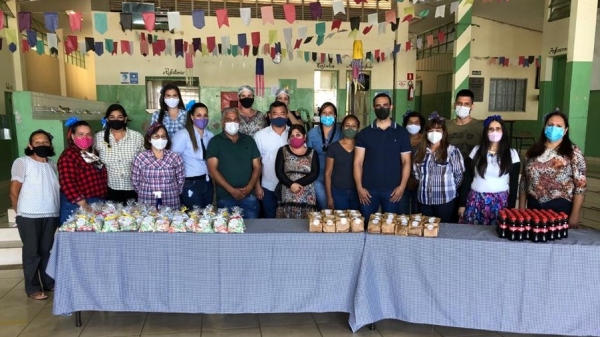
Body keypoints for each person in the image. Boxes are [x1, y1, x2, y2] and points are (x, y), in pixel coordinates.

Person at [10, 130, 59, 300]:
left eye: (45, 142)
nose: (42, 145)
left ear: (50, 145)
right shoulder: (22, 162)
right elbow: (14, 192)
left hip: (50, 213)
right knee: (32, 252)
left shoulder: (52, 164)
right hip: (29, 215)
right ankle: (32, 288)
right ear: (30, 146)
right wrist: (20, 214)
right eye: (37, 142)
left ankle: (48, 282)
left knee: (46, 250)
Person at [519, 110, 586, 228]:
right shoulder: (532, 152)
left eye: (559, 126)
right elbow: (524, 181)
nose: (553, 128)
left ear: (565, 131)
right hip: (534, 207)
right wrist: (521, 209)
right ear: (545, 127)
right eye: (550, 125)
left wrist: (575, 215)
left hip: (560, 208)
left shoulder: (573, 152)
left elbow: (580, 186)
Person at [354, 93, 411, 220]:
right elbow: (358, 162)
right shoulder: (364, 134)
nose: (382, 108)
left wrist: (402, 187)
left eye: (385, 105)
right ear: (374, 108)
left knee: (389, 228)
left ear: (391, 107)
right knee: (367, 226)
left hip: (393, 190)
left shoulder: (401, 133)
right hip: (367, 191)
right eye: (378, 106)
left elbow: (406, 161)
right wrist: (359, 188)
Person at [459, 115, 520, 225]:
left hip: (500, 203)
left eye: (498, 129)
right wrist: (462, 204)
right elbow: (467, 177)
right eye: (491, 129)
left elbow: (514, 184)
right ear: (486, 132)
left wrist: (510, 210)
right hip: (475, 201)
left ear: (503, 131)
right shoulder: (476, 151)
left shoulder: (512, 154)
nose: (494, 132)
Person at [207, 107, 261, 218]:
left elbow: (257, 166)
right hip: (226, 197)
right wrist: (232, 190)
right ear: (223, 122)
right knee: (228, 232)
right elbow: (212, 170)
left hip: (249, 197)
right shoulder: (215, 142)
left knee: (252, 232)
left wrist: (250, 187)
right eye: (229, 120)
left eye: (236, 120)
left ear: (239, 122)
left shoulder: (249, 140)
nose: (233, 123)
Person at [413, 112, 465, 223]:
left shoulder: (452, 151)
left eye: (438, 130)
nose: (434, 133)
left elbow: (459, 175)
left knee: (444, 231)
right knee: (427, 231)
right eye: (431, 130)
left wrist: (448, 188)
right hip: (424, 199)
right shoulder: (420, 151)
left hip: (445, 200)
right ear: (426, 132)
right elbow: (417, 175)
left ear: (443, 132)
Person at [58, 119, 107, 224]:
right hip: (78, 204)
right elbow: (67, 182)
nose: (85, 138)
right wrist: (83, 204)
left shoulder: (93, 154)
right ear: (72, 136)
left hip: (96, 202)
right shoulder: (69, 155)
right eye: (80, 134)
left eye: (88, 134)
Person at [94, 104, 144, 204]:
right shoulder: (99, 138)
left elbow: (144, 163)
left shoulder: (137, 137)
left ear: (125, 119)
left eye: (119, 117)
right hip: (109, 189)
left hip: (134, 189)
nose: (116, 120)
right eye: (112, 117)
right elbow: (95, 161)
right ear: (107, 120)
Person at [171, 102, 215, 209]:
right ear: (192, 117)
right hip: (190, 182)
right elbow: (172, 159)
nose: (202, 119)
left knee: (207, 214)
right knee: (194, 217)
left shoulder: (210, 135)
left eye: (205, 115)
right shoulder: (183, 135)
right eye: (198, 115)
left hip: (207, 181)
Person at [131, 123, 185, 208]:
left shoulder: (175, 157)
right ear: (149, 139)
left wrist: (172, 192)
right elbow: (135, 181)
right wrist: (145, 191)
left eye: (163, 136)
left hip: (170, 201)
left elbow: (180, 180)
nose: (160, 139)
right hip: (147, 201)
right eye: (156, 136)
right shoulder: (140, 157)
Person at [254, 101, 290, 218]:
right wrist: (257, 186)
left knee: (288, 221)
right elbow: (255, 164)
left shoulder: (293, 134)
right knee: (270, 220)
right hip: (267, 186)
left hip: (290, 187)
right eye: (275, 114)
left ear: (287, 115)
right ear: (269, 116)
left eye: (282, 113)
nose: (279, 116)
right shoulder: (260, 136)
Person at [275, 125, 319, 218]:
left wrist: (297, 185)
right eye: (292, 136)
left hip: (307, 193)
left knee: (305, 225)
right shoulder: (283, 150)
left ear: (304, 137)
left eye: (298, 135)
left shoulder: (312, 152)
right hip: (287, 192)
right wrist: (291, 185)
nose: (295, 138)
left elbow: (315, 173)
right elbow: (279, 171)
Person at [306, 102, 342, 210]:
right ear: (320, 115)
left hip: (337, 177)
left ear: (335, 116)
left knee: (337, 207)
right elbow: (308, 156)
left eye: (330, 113)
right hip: (318, 177)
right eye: (324, 113)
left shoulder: (341, 132)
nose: (327, 116)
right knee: (325, 207)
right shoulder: (312, 133)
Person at [325, 115, 360, 210]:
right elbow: (328, 173)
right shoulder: (333, 148)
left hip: (358, 192)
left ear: (358, 129)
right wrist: (329, 197)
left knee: (356, 223)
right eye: (347, 125)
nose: (350, 128)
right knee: (341, 222)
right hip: (338, 192)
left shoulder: (361, 148)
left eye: (353, 126)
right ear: (342, 128)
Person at [446, 89, 484, 159]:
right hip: (451, 167)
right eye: (459, 103)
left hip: (473, 167)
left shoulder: (481, 127)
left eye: (466, 104)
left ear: (472, 107)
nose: (462, 106)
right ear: (455, 105)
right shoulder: (445, 126)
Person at [402, 110, 425, 213]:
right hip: (402, 180)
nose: (413, 125)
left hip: (420, 181)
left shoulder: (426, 141)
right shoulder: (401, 139)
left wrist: (415, 180)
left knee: (417, 211)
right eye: (410, 122)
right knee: (402, 210)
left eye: (416, 123)